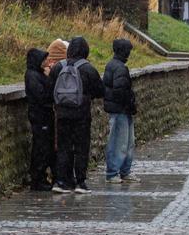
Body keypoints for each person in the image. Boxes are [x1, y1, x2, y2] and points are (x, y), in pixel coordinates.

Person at [49, 37, 104, 194]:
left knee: (63, 147)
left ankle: (61, 181)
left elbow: (50, 89)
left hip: (62, 114)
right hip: (81, 114)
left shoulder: (58, 67)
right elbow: (100, 91)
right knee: (81, 147)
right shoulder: (88, 69)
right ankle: (80, 181)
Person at [103, 39, 139, 183]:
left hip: (120, 109)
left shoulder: (113, 65)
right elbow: (120, 91)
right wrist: (130, 103)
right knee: (120, 143)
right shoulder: (119, 68)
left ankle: (124, 171)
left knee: (127, 142)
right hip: (121, 110)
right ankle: (113, 172)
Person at [25, 48, 54, 191]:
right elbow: (41, 95)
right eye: (44, 59)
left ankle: (41, 175)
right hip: (40, 115)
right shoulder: (33, 76)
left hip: (44, 114)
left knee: (45, 146)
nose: (47, 61)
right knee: (40, 147)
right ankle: (37, 178)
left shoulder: (39, 74)